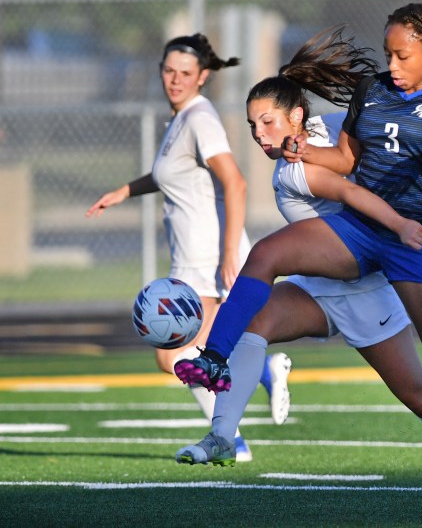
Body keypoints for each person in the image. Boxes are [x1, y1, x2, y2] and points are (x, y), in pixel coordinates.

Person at [174, 5, 422, 518]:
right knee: (268, 255)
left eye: (402, 54)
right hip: (360, 236)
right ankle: (215, 372)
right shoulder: (371, 91)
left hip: (415, 240)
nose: (392, 63)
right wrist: (304, 148)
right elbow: (344, 158)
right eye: (387, 52)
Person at [85, 32, 292, 461]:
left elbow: (235, 181)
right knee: (190, 353)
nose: (175, 79)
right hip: (193, 257)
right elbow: (168, 175)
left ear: (202, 77)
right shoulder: (180, 119)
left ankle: (234, 433)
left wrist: (231, 253)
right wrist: (125, 190)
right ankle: (255, 395)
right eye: (168, 70)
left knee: (175, 356)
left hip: (208, 256)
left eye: (185, 73)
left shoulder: (199, 117)